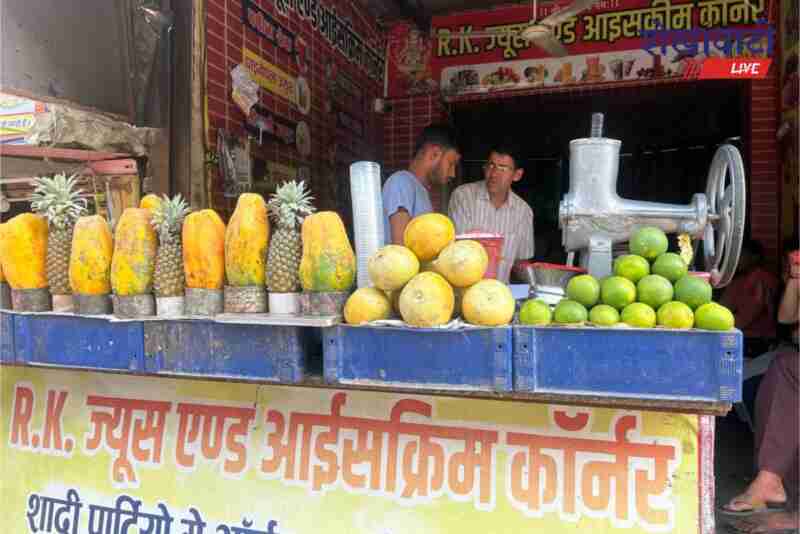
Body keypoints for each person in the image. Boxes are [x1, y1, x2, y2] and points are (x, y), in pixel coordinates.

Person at [721, 249, 799, 534]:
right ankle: (772, 483)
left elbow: (741, 322)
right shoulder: (749, 279)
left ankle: (771, 483)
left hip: (761, 348)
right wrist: (794, 279)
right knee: (777, 375)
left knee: (778, 372)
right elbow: (786, 317)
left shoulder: (758, 278)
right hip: (785, 354)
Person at [448, 142, 534, 283]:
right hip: (464, 290)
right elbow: (458, 248)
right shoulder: (463, 197)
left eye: (502, 168)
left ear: (517, 175)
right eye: (491, 166)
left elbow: (522, 263)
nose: (494, 174)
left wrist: (534, 286)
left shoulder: (524, 212)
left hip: (499, 295)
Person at [382, 124, 461, 245]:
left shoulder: (421, 191)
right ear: (434, 154)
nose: (453, 173)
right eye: (451, 164)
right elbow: (401, 249)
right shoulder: (401, 182)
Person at [719, 239, 780, 359]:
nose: (737, 259)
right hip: (749, 338)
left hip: (754, 342)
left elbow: (744, 318)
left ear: (754, 257)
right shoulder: (740, 280)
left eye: (741, 254)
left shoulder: (758, 279)